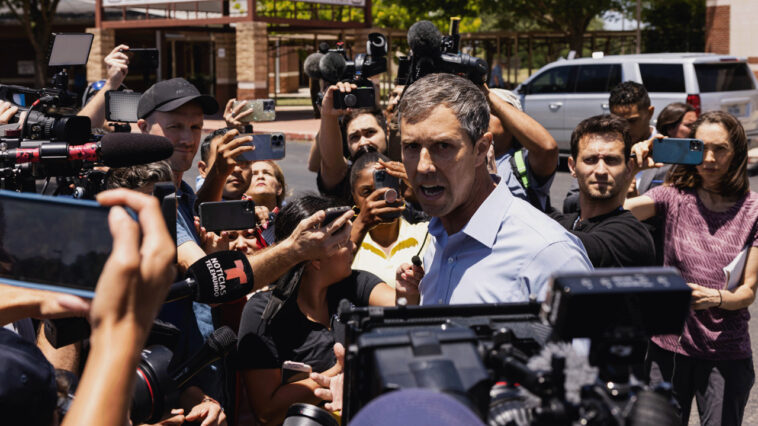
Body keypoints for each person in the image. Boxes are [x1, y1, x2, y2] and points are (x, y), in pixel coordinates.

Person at [394, 73, 592, 306]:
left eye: (443, 146)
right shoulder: (438, 241)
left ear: (481, 150)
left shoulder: (548, 253)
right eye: (412, 147)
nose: (423, 166)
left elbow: (588, 343)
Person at [625, 111, 757, 425]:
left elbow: (748, 291)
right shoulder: (672, 197)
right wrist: (632, 167)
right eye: (700, 147)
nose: (710, 158)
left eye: (721, 149)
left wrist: (715, 298)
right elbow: (617, 215)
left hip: (725, 351)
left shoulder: (754, 211)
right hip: (668, 347)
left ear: (736, 152)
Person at [237, 195, 398, 425]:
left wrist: (408, 290)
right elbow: (267, 412)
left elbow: (404, 308)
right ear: (315, 257)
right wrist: (339, 372)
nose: (353, 245)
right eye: (343, 242)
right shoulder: (263, 313)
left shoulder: (354, 284)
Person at [548, 115, 655, 268]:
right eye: (590, 160)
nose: (600, 170)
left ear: (629, 168)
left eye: (611, 160)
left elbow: (568, 245)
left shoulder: (632, 236)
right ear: (572, 167)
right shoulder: (563, 222)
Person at [563, 81, 664, 212]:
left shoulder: (666, 152)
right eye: (619, 120)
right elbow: (570, 204)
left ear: (650, 113)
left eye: (632, 120)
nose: (626, 127)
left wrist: (635, 200)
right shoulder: (598, 147)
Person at [349, 151, 430, 287]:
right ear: (354, 198)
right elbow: (328, 277)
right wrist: (361, 224)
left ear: (399, 189)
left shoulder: (426, 233)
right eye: (367, 192)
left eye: (386, 189)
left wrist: (421, 186)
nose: (378, 198)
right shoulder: (345, 243)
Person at [313, 81, 389, 202]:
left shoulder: (405, 168)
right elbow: (331, 165)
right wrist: (328, 115)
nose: (363, 142)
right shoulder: (343, 176)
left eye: (370, 133)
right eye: (355, 137)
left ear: (387, 133)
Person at [487, 86, 559, 211]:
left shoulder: (522, 162)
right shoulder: (465, 159)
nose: (483, 117)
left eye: (492, 111)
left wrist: (486, 93)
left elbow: (548, 148)